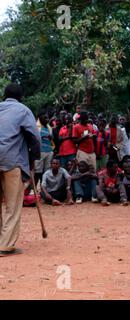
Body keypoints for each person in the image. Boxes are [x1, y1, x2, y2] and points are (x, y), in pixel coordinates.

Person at [0, 84, 41, 256]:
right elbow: (34, 137)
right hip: (12, 161)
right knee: (12, 205)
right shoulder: (23, 110)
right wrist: (33, 158)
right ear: (21, 97)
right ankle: (5, 246)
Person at [34, 113, 54, 185]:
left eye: (47, 118)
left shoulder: (49, 128)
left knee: (46, 171)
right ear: (40, 119)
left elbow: (52, 139)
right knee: (37, 171)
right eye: (45, 118)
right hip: (40, 151)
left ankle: (43, 187)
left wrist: (50, 137)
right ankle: (34, 189)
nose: (47, 120)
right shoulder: (37, 127)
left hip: (49, 151)